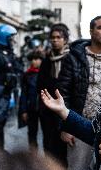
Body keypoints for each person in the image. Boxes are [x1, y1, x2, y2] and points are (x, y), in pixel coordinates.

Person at [57, 15, 101, 169]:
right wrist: (66, 126)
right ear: (91, 31)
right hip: (80, 125)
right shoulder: (74, 57)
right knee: (78, 167)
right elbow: (64, 93)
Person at [37, 23, 70, 167]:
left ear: (65, 40)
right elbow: (40, 85)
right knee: (49, 147)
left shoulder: (71, 59)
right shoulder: (46, 61)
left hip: (66, 111)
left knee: (63, 149)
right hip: (48, 112)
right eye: (52, 38)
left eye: (59, 37)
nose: (55, 40)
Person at [0, 24, 22, 150]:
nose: (13, 41)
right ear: (4, 38)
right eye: (10, 38)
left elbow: (17, 69)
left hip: (6, 96)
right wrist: (5, 82)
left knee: (1, 125)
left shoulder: (8, 53)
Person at [18, 51, 44, 152]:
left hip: (44, 109)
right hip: (31, 108)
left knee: (48, 134)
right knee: (32, 133)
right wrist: (23, 110)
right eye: (32, 59)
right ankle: (33, 157)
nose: (34, 61)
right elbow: (23, 93)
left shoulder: (46, 73)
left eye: (37, 59)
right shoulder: (27, 75)